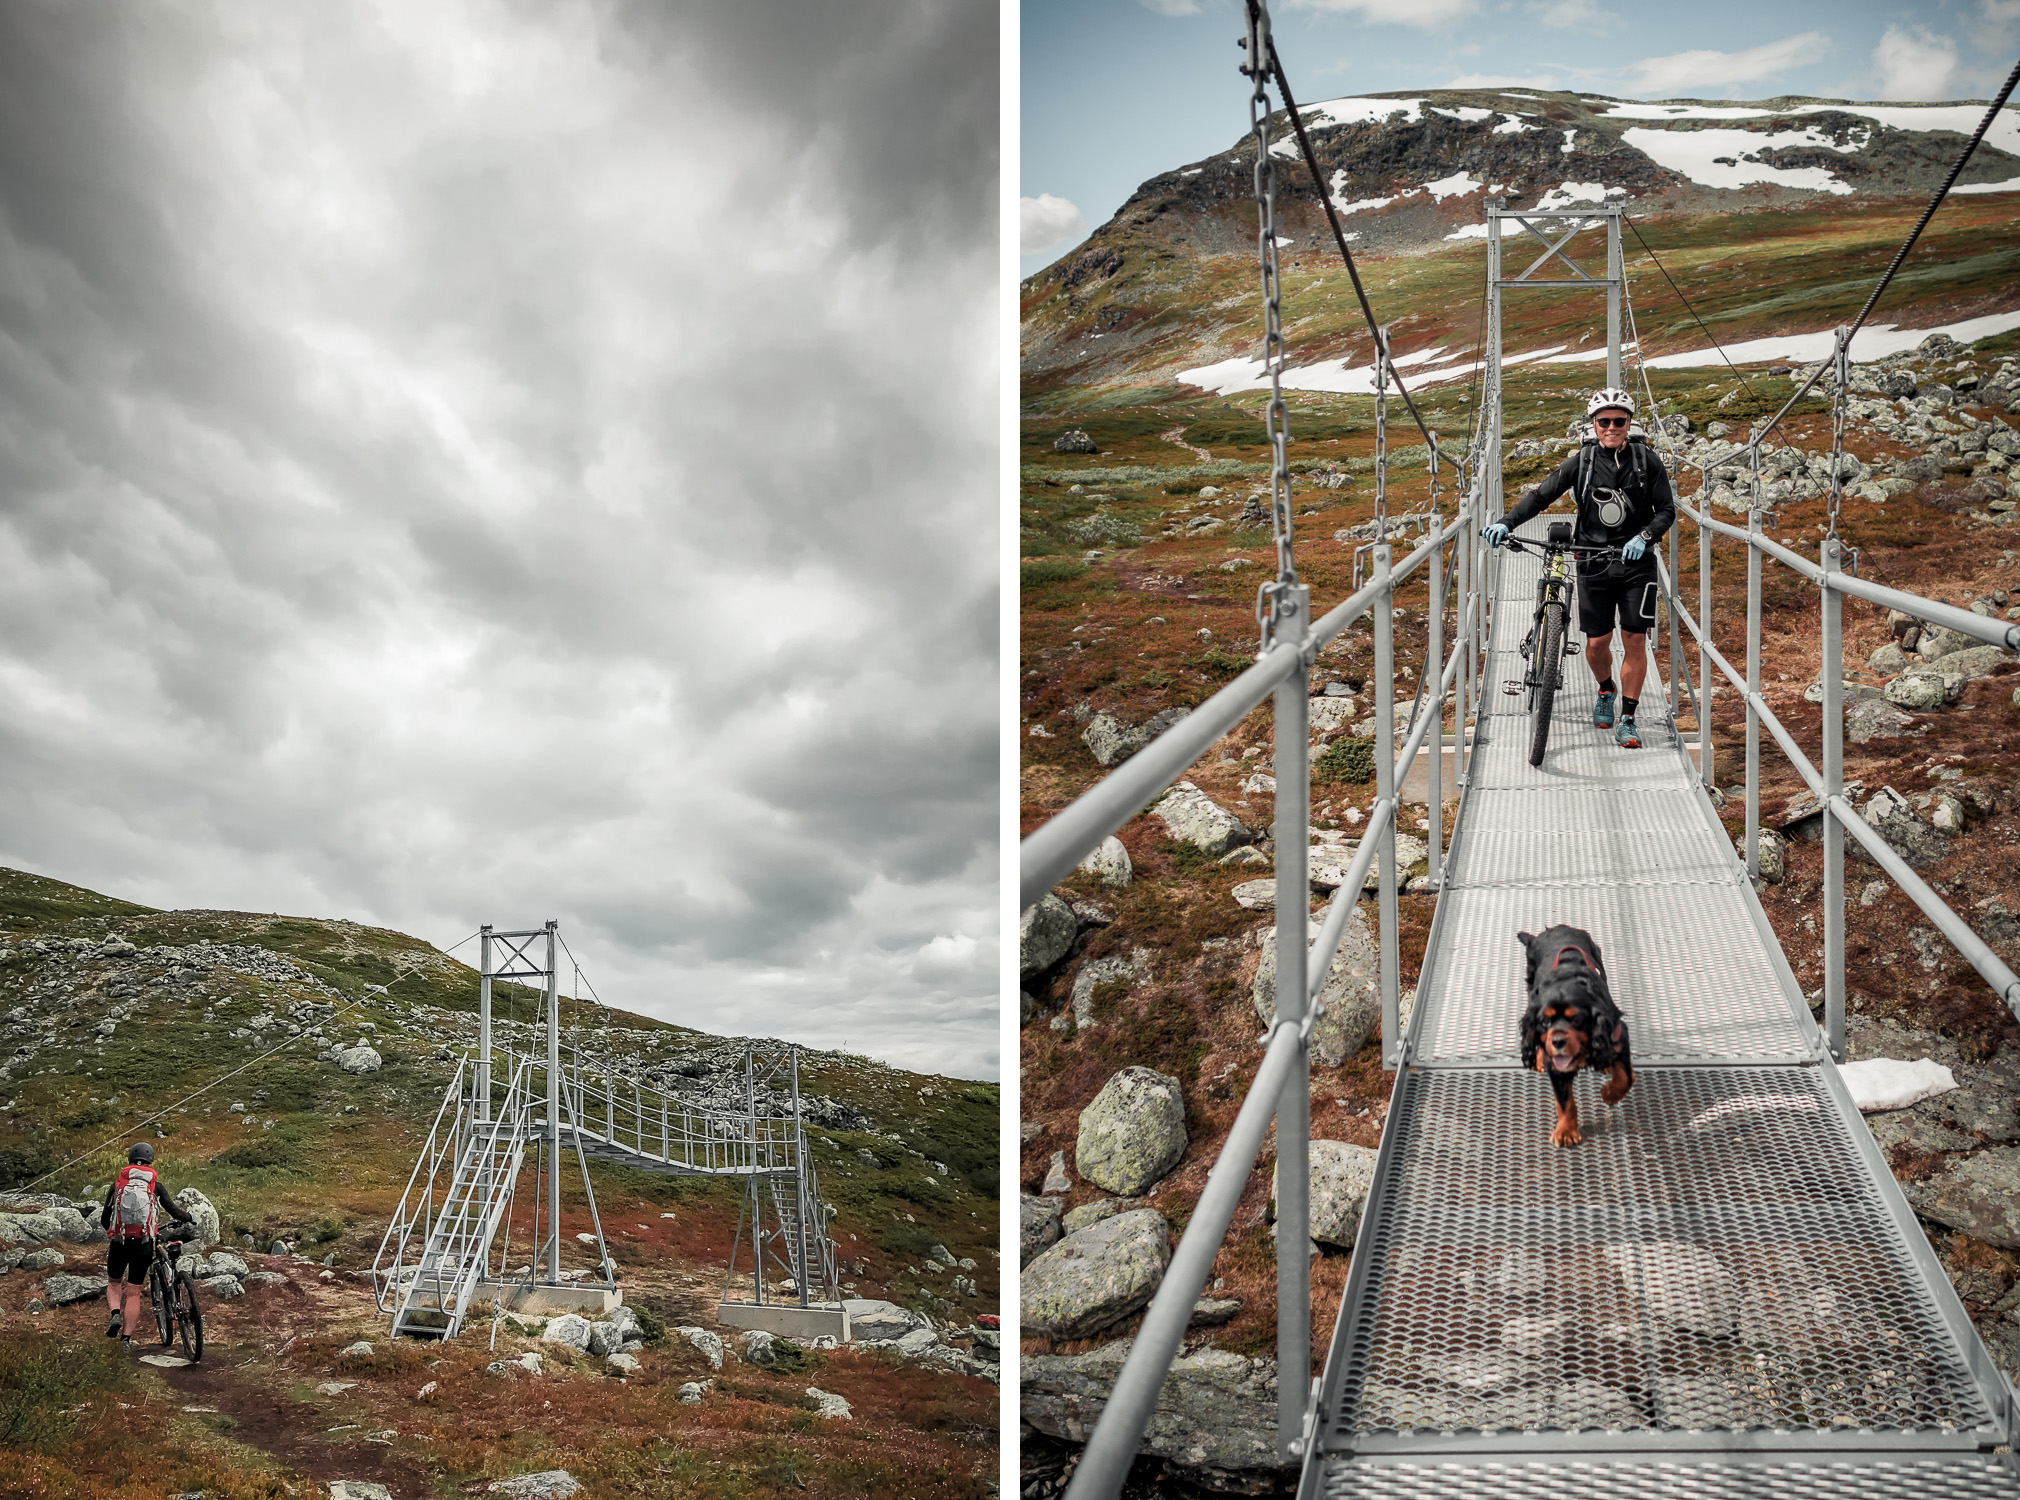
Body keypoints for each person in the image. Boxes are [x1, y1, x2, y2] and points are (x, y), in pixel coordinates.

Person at [1480, 388, 1676, 749]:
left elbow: (1667, 510)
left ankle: (1628, 719)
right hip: (1591, 561)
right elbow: (1541, 497)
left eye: (1619, 420)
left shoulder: (1647, 462)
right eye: (1605, 421)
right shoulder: (1582, 463)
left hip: (1637, 564)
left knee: (1635, 640)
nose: (1612, 427)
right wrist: (1506, 523)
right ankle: (1606, 689)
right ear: (1594, 425)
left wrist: (1645, 536)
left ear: (1629, 423)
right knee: (1596, 643)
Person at [102, 1142, 196, 1347]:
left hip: (120, 1242)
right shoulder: (155, 1186)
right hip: (144, 1244)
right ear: (150, 1161)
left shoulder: (118, 1185)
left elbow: (104, 1219)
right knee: (134, 1291)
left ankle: (115, 1314)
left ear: (130, 1161)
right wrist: (189, 1216)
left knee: (115, 1282)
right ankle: (126, 1339)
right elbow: (174, 1211)